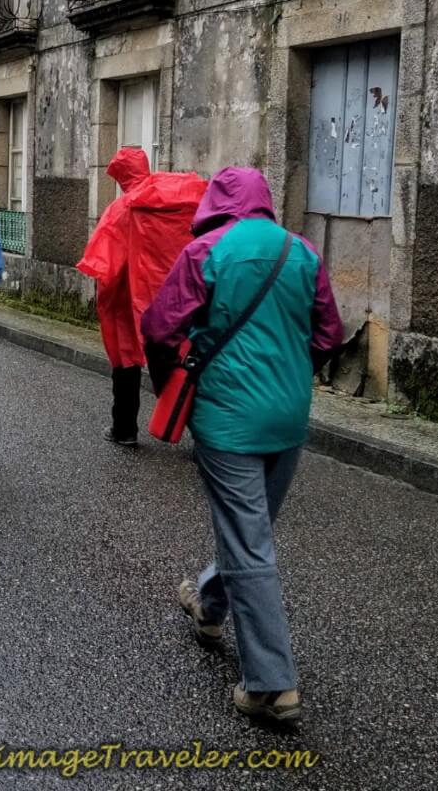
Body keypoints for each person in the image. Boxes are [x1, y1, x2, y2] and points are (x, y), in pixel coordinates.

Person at [142, 166, 343, 725]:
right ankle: (208, 602)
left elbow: (159, 328)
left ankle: (272, 687)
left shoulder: (206, 251)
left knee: (249, 541)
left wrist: (170, 381)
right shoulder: (301, 250)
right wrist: (294, 374)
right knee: (251, 529)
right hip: (290, 415)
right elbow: (329, 334)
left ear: (215, 202)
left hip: (229, 416)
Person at [77, 147, 205, 446]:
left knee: (126, 362)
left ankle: (124, 429)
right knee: (179, 363)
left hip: (127, 301)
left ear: (122, 176)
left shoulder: (122, 209)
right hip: (174, 302)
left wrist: (107, 303)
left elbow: (104, 265)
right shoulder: (180, 202)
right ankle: (204, 437)